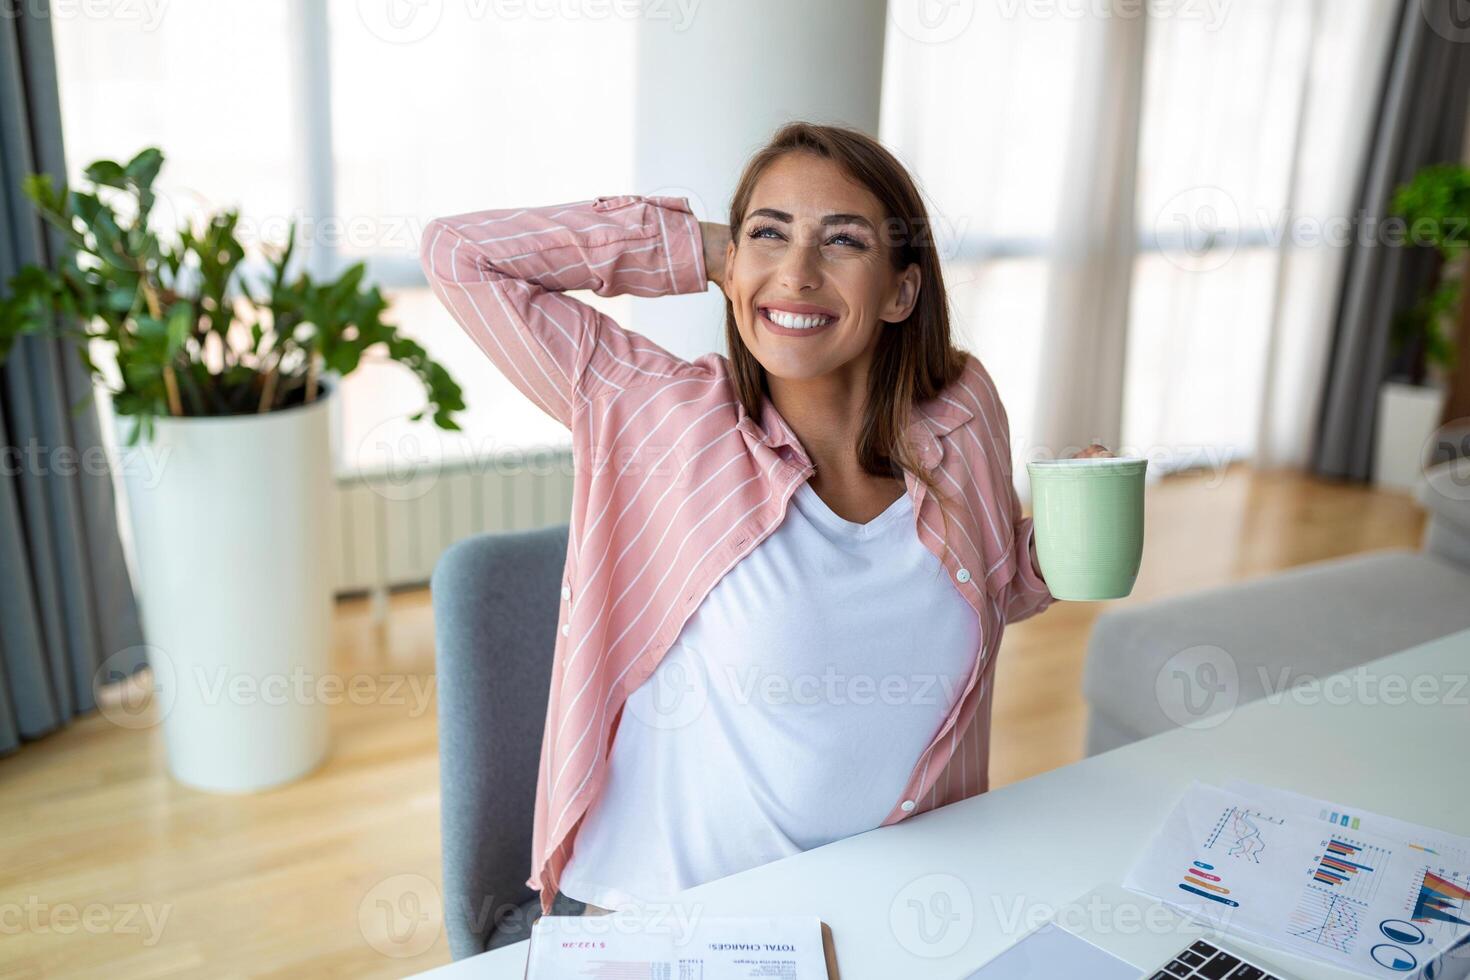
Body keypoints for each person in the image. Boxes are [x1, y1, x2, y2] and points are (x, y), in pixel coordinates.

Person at [419, 121, 1113, 926]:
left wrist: (1066, 534)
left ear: (901, 292)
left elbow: (997, 584)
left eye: (843, 241)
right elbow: (460, 256)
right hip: (674, 923)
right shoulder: (658, 413)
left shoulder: (960, 411)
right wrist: (714, 253)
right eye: (770, 233)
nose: (798, 272)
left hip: (892, 904)